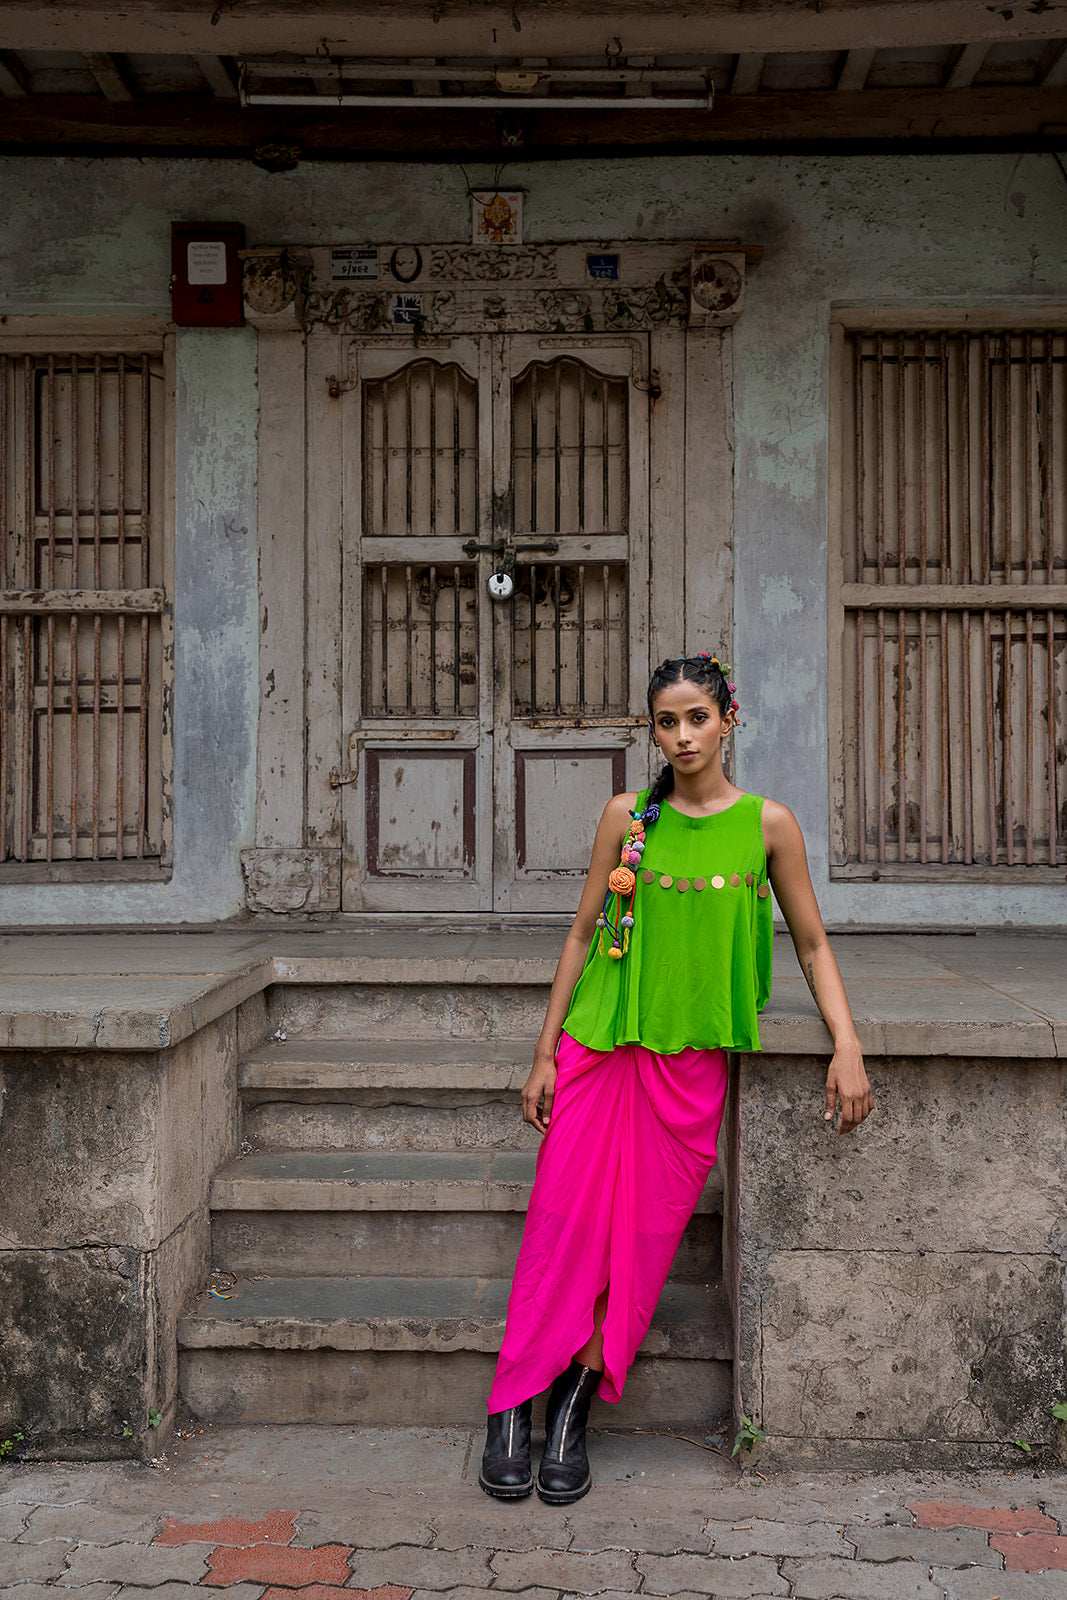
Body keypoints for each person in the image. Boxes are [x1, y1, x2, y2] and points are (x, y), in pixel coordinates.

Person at [478, 652, 873, 1505]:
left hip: (689, 1073)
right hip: (600, 1050)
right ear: (653, 730)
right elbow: (582, 935)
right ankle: (512, 1405)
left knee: (638, 1249)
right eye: (667, 721)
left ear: (730, 717)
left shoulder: (768, 825)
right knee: (562, 1229)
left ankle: (575, 1408)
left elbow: (811, 945)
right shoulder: (627, 815)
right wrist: (544, 1052)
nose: (683, 735)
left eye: (697, 716)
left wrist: (846, 1043)